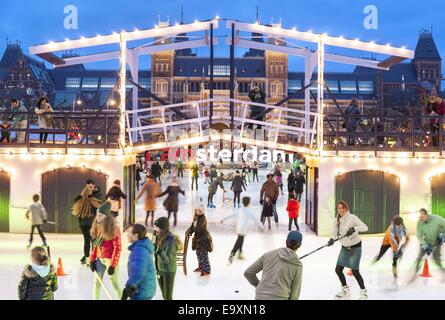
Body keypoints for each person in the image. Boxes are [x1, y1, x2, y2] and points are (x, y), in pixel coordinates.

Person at [327, 201, 369, 300]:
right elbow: (333, 232)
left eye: (342, 208)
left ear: (346, 208)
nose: (340, 210)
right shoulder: (336, 220)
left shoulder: (352, 217)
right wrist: (331, 239)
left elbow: (365, 228)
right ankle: (345, 290)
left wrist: (354, 228)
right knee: (338, 270)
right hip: (345, 247)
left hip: (355, 247)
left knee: (355, 271)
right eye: (338, 208)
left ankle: (364, 293)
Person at [244, 231, 303, 300]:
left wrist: (260, 287)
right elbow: (294, 294)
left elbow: (248, 273)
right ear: (299, 245)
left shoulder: (268, 255)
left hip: (260, 296)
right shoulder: (297, 265)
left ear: (286, 242)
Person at [89, 203, 122, 300]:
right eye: (97, 215)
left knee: (114, 283)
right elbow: (95, 245)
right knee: (97, 283)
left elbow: (118, 248)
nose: (98, 218)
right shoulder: (98, 226)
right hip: (99, 260)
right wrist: (92, 260)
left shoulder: (114, 228)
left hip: (110, 260)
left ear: (107, 217)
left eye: (101, 216)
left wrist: (113, 265)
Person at [221, 196, 264, 264]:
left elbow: (232, 215)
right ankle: (233, 252)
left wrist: (223, 219)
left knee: (240, 239)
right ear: (249, 203)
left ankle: (240, 253)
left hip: (238, 228)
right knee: (239, 240)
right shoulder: (249, 211)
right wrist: (262, 226)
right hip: (243, 229)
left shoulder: (240, 209)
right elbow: (256, 220)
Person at [122, 224, 157, 300]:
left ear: (136, 235)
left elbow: (139, 272)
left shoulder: (139, 250)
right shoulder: (140, 248)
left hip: (142, 291)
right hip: (144, 289)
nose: (127, 235)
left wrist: (130, 286)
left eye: (130, 232)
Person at [72, 179, 102, 264]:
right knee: (87, 240)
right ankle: (87, 256)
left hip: (93, 223)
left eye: (91, 186)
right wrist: (80, 196)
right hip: (84, 223)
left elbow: (98, 204)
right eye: (88, 186)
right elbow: (77, 201)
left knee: (94, 241)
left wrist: (90, 196)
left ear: (94, 185)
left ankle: (92, 257)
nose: (89, 188)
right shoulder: (84, 195)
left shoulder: (97, 195)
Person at [411, 208, 445, 281]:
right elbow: (419, 235)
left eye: (422, 216)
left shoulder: (437, 219)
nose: (421, 218)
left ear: (427, 215)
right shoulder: (419, 223)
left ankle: (444, 273)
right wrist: (425, 246)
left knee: (436, 260)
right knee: (419, 258)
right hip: (426, 241)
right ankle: (413, 275)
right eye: (420, 217)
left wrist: (443, 236)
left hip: (436, 243)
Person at [153, 217, 182, 300]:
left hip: (168, 271)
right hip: (159, 269)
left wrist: (158, 250)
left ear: (162, 229)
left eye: (157, 228)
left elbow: (168, 260)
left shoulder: (171, 241)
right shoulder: (160, 238)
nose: (155, 230)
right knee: (164, 296)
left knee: (168, 297)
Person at [373, 215, 409, 280]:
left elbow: (406, 237)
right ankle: (375, 260)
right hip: (387, 242)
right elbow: (393, 242)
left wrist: (401, 249)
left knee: (395, 258)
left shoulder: (404, 227)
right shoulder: (391, 229)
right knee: (381, 255)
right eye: (396, 225)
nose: (398, 227)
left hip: (396, 241)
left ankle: (394, 270)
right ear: (393, 223)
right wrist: (396, 250)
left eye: (399, 225)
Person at [187, 204, 213, 276]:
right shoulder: (196, 217)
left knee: (203, 254)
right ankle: (201, 267)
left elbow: (198, 228)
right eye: (197, 210)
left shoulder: (203, 218)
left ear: (202, 211)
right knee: (198, 254)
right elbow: (192, 226)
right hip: (198, 239)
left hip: (204, 240)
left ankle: (207, 270)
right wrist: (189, 231)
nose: (198, 211)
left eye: (200, 210)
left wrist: (192, 230)